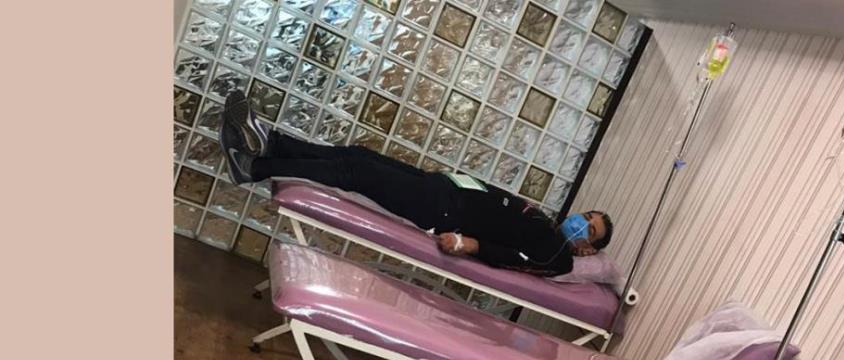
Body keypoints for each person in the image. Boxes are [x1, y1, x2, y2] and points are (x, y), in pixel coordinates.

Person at [219, 91, 612, 277]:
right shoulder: (546, 222)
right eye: (587, 216)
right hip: (444, 188)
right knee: (357, 156)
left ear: (588, 249)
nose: (581, 221)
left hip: (443, 212)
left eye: (589, 229)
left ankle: (256, 167)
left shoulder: (558, 256)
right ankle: (271, 142)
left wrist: (470, 245)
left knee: (355, 174)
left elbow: (518, 258)